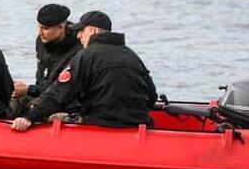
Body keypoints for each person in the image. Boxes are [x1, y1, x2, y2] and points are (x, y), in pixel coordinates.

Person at [11, 10, 157, 131]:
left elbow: (59, 92)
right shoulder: (132, 56)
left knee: (53, 117)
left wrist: (29, 117)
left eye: (81, 30)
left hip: (99, 123)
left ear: (93, 30)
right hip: (136, 124)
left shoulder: (86, 55)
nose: (79, 35)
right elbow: (151, 97)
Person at [9, 3, 82, 118]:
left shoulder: (79, 49)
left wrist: (30, 89)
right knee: (11, 100)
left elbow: (63, 90)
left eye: (45, 28)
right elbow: (41, 77)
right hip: (43, 93)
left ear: (61, 27)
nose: (40, 32)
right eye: (39, 27)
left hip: (66, 101)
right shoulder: (42, 41)